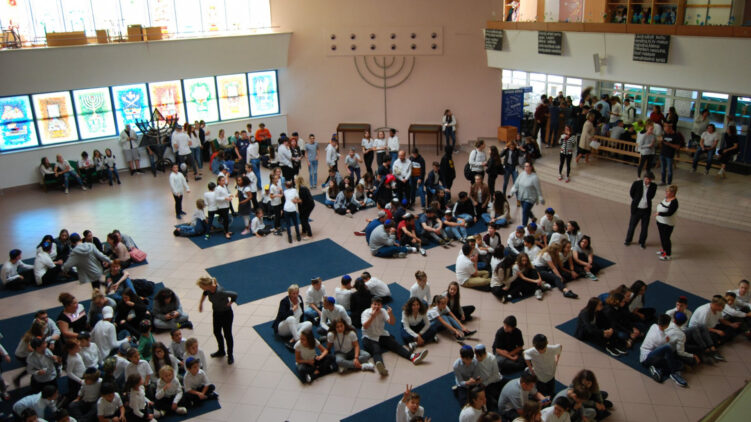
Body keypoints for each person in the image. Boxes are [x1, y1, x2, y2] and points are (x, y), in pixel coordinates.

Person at [361, 296, 428, 376]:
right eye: (375, 304)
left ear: (381, 305)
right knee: (376, 349)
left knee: (395, 344)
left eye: (378, 304)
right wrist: (372, 317)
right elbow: (365, 326)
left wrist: (390, 314)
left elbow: (392, 322)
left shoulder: (383, 311)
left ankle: (412, 356)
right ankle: (381, 366)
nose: (376, 306)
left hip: (381, 334)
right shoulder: (365, 313)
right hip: (369, 337)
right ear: (371, 305)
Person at [196, 276, 237, 365]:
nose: (201, 288)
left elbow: (234, 294)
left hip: (226, 314)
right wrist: (201, 303)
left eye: (201, 286)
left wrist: (231, 302)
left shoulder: (220, 292)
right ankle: (221, 350)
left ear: (206, 285)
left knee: (227, 334)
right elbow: (205, 293)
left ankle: (230, 355)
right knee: (216, 332)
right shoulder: (208, 289)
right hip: (217, 313)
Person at [640, 314, 688, 387]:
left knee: (678, 363)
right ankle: (673, 372)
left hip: (646, 353)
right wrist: (667, 341)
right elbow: (663, 352)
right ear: (667, 325)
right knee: (668, 349)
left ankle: (658, 369)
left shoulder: (653, 326)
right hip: (647, 358)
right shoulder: (661, 339)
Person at [273, 284, 313, 349]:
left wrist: (301, 325)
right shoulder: (284, 301)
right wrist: (292, 310)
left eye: (297, 293)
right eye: (293, 294)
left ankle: (293, 338)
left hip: (295, 327)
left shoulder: (299, 298)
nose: (295, 295)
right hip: (283, 328)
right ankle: (297, 340)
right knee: (291, 318)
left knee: (309, 324)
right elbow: (283, 315)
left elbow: (302, 314)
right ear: (289, 294)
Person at [624, 172, 656, 249]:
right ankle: (628, 240)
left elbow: (652, 196)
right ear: (644, 178)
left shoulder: (654, 186)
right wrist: (637, 200)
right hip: (636, 209)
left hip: (646, 210)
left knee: (644, 228)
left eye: (650, 180)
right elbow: (631, 193)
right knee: (632, 226)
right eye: (647, 179)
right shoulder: (637, 183)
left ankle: (642, 242)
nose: (648, 181)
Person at [655, 184, 679, 261]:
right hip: (660, 222)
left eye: (667, 191)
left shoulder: (674, 202)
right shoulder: (666, 198)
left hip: (667, 224)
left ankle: (667, 255)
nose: (666, 193)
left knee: (666, 239)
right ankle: (663, 250)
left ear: (672, 193)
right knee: (662, 238)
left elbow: (669, 213)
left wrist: (659, 213)